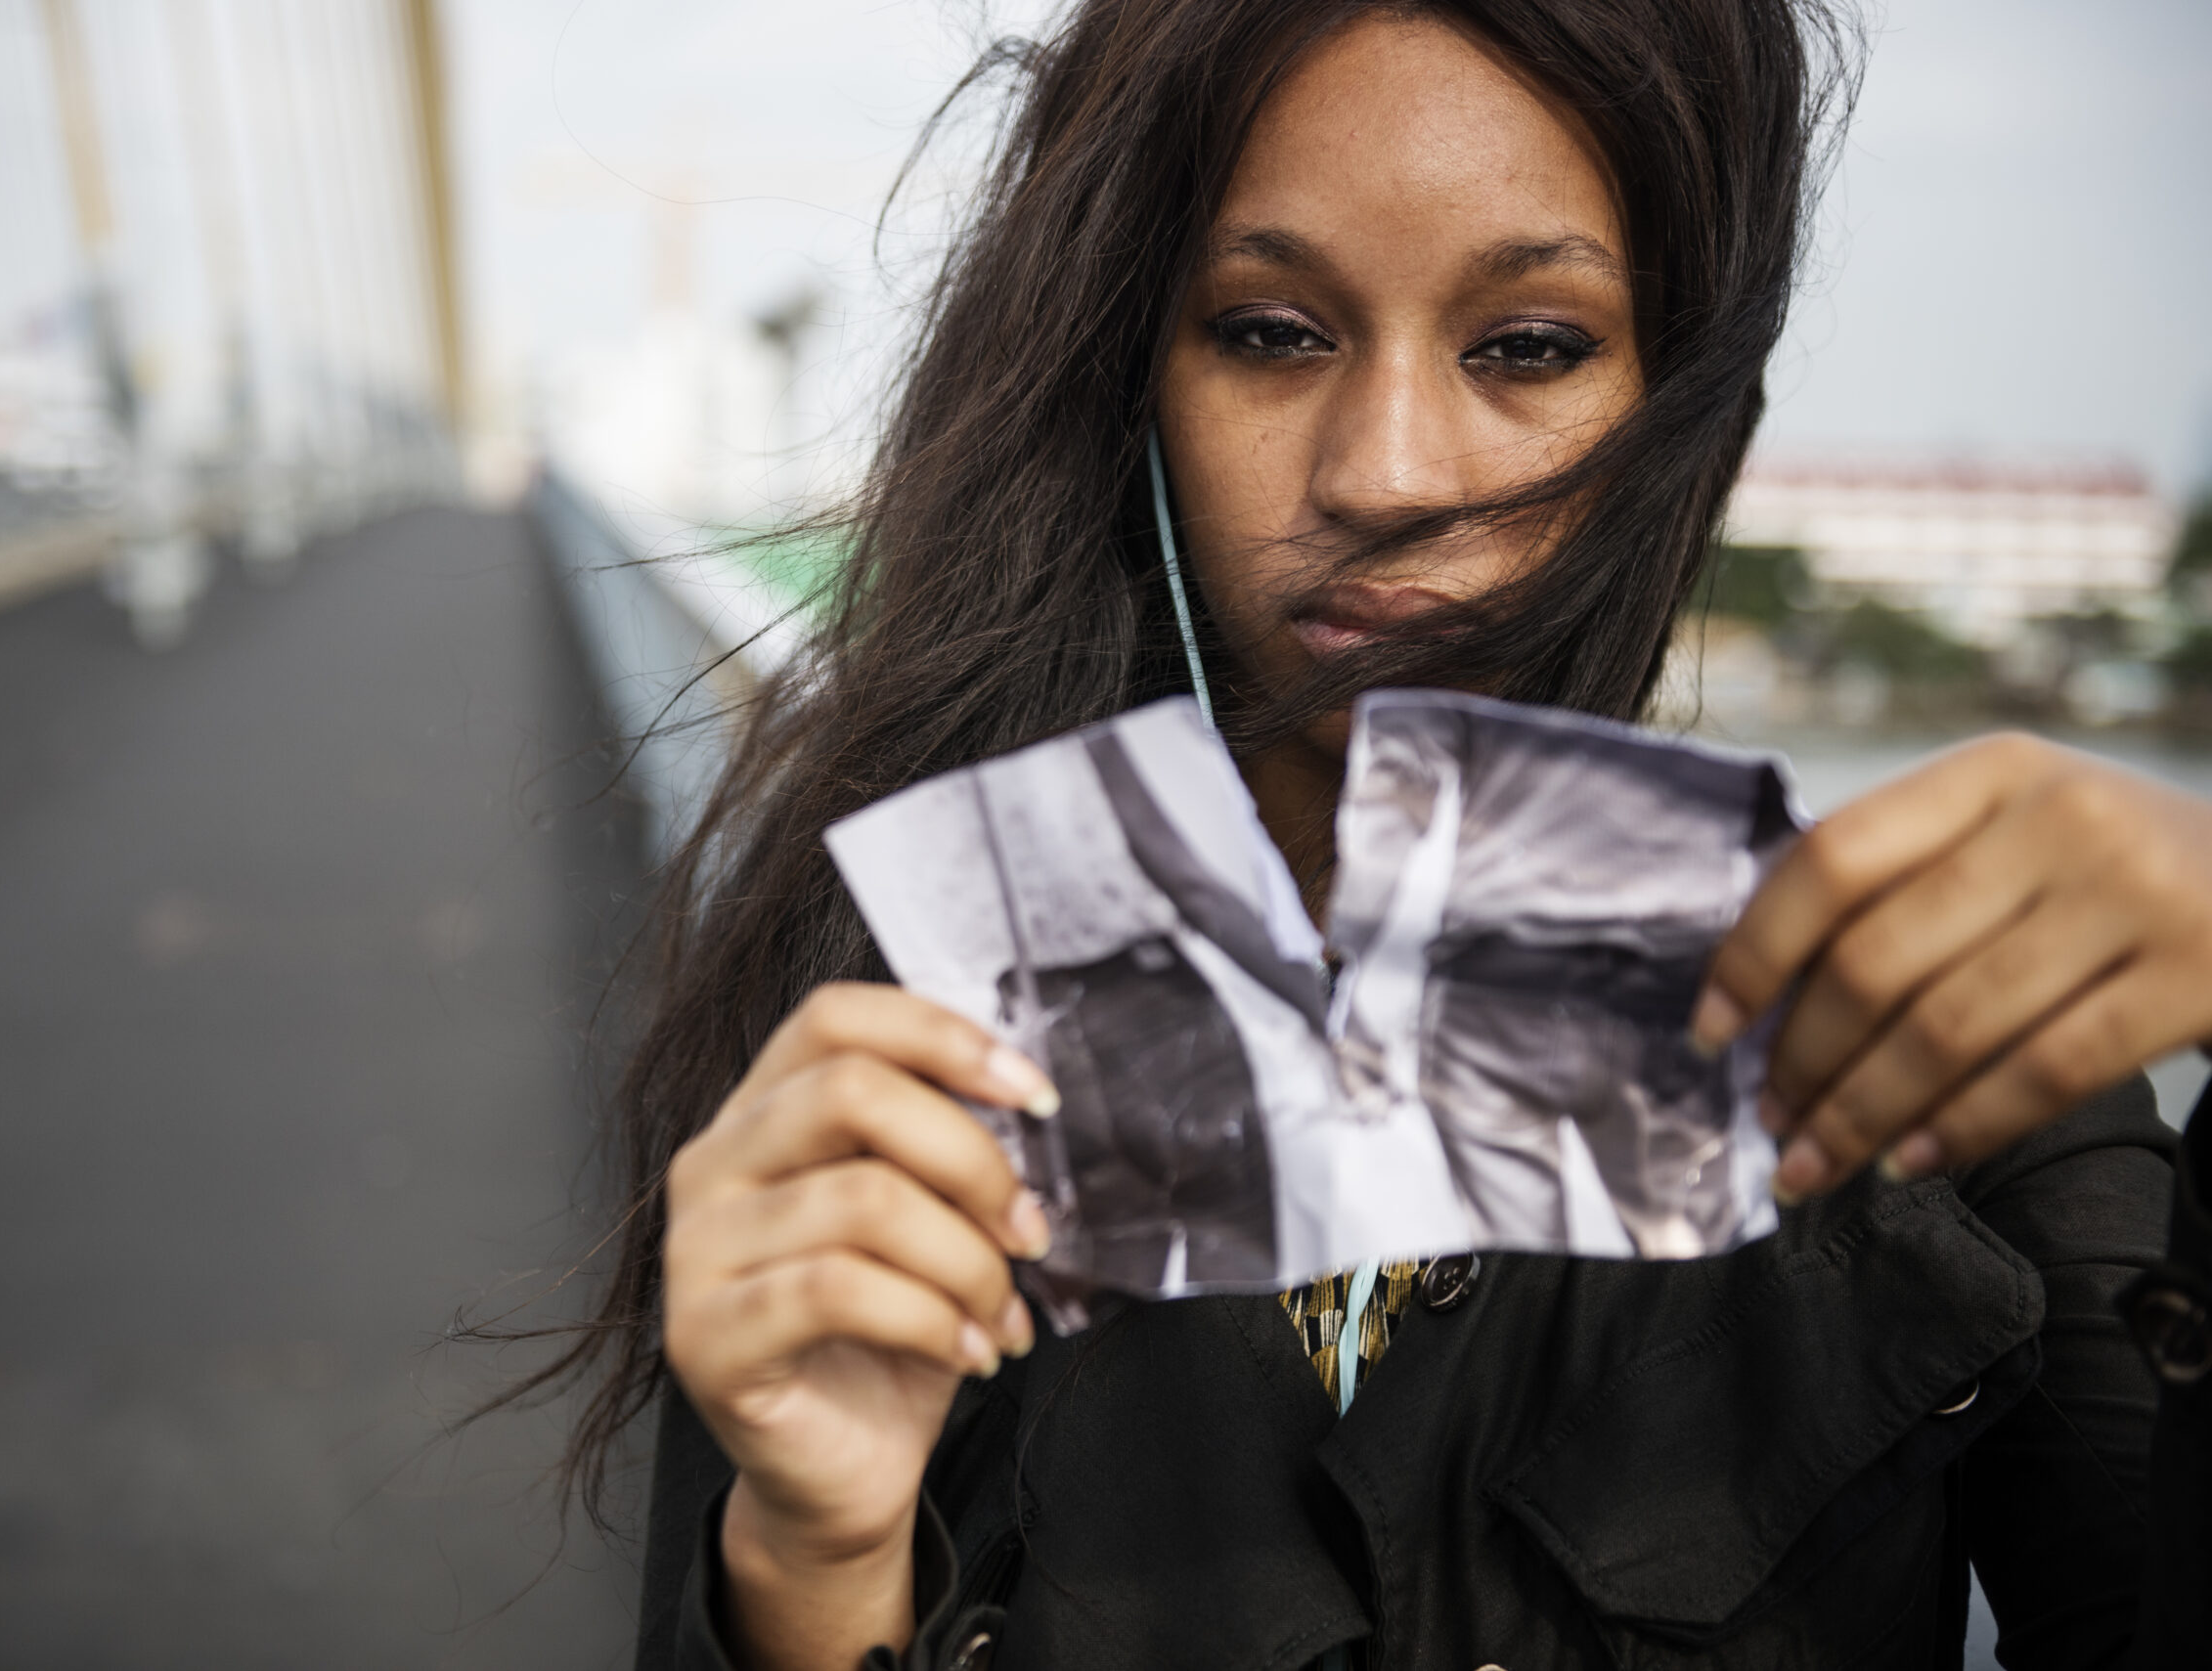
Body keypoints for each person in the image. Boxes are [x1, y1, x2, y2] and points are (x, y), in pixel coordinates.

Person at [535, 3, 2212, 1666]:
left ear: (1686, 402)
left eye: (1528, 345)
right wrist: (810, 1562)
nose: (1391, 473)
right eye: (1272, 331)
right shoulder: (897, 1037)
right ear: (1131, 378)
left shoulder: (1932, 1037)